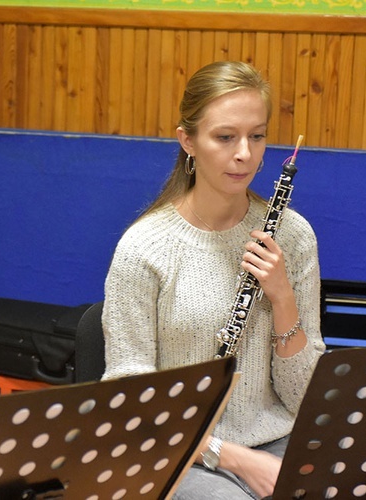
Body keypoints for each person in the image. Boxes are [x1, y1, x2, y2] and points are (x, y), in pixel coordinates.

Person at [101, 61, 325, 499]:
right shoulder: (144, 248)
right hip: (174, 447)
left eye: (257, 136)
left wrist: (282, 300)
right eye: (225, 137)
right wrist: (233, 456)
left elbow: (304, 400)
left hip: (276, 440)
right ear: (188, 141)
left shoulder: (292, 236)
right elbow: (129, 400)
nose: (245, 153)